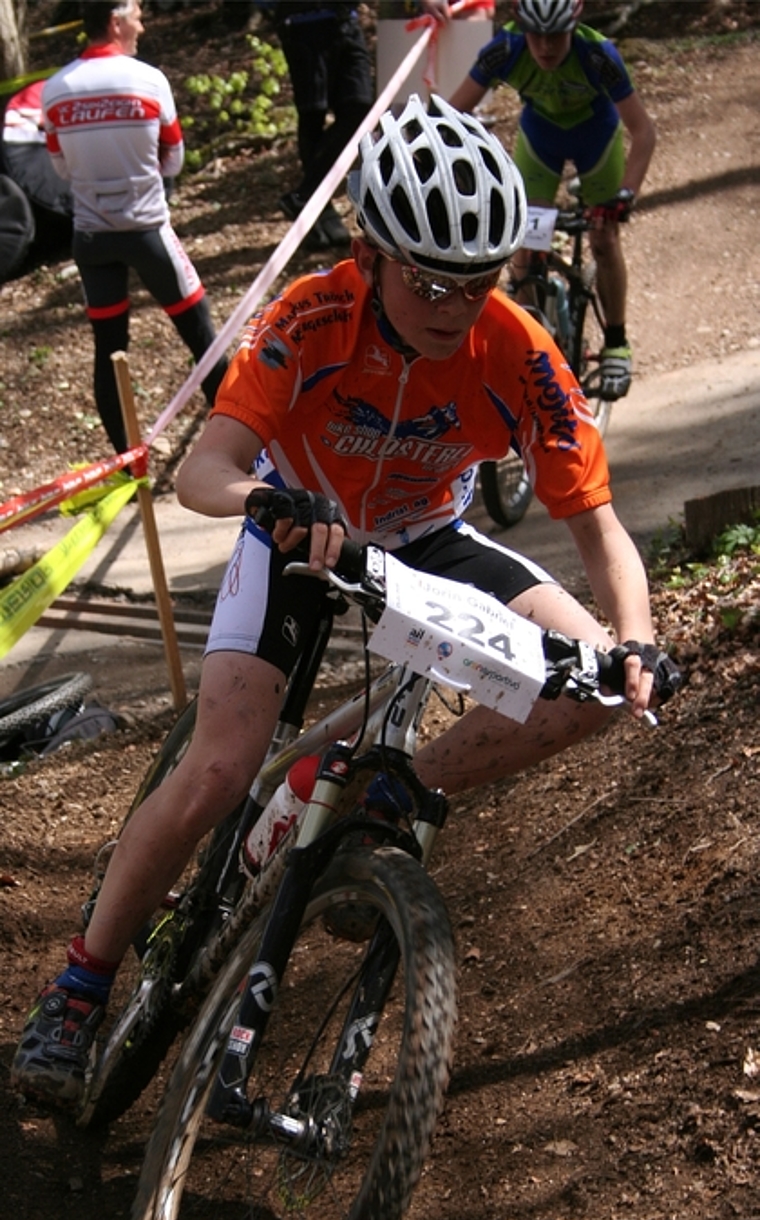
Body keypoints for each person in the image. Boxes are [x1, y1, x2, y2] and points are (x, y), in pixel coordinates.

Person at [11, 94, 678, 1110]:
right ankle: (80, 986)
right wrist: (274, 498)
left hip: (427, 539)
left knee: (593, 683)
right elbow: (204, 474)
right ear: (369, 252)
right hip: (295, 531)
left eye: (478, 280)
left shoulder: (518, 351)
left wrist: (635, 640)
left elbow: (599, 527)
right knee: (221, 766)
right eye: (428, 279)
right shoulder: (311, 317)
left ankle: (397, 788)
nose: (454, 305)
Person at [40, 0, 227, 457]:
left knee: (109, 347)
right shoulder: (149, 79)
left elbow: (60, 167)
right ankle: (237, 446)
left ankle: (125, 460)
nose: (143, 24)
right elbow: (174, 158)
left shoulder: (55, 89)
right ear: (116, 20)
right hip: (147, 230)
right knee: (201, 333)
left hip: (91, 237)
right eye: (138, 15)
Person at [448, 0, 656, 401]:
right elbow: (451, 115)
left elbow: (643, 132)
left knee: (603, 238)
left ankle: (616, 343)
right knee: (526, 243)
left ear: (574, 25)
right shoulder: (505, 48)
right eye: (536, 35)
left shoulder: (597, 54)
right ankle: (524, 344)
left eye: (555, 34)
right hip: (540, 140)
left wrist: (626, 194)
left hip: (598, 140)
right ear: (520, 27)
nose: (544, 46)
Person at [273, 2, 374, 251]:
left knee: (359, 108)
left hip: (345, 21)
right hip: (301, 22)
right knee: (312, 114)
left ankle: (306, 195)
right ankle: (319, 212)